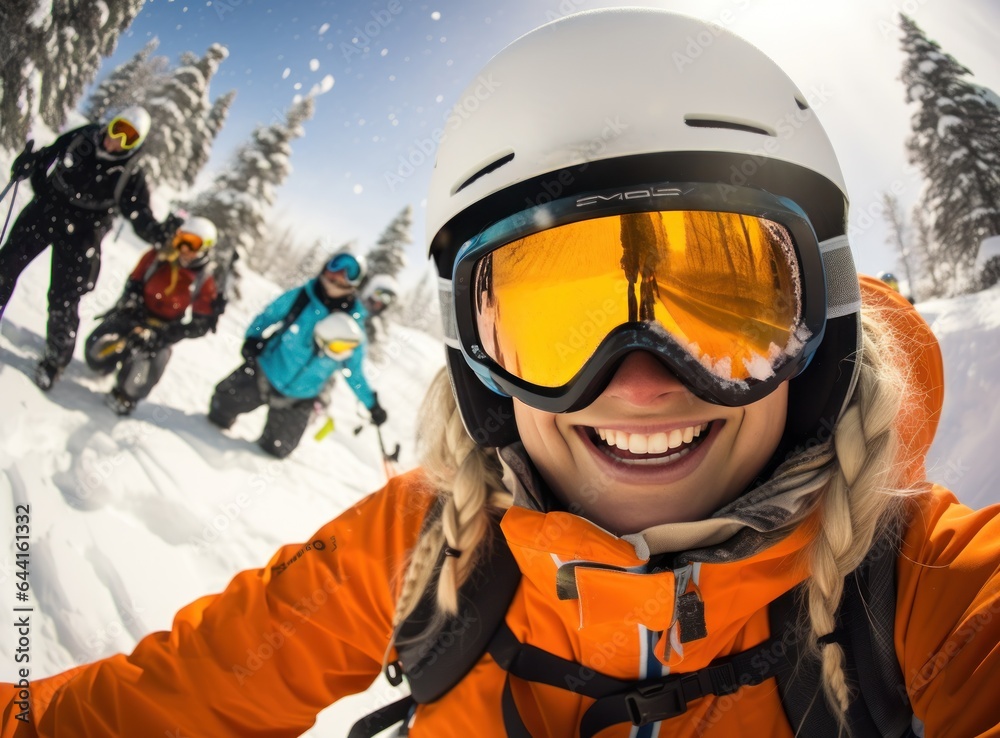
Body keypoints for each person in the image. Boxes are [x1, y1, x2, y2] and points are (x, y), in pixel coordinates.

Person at [3, 10, 998, 737]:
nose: (640, 382)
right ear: (480, 367)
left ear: (816, 328)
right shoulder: (426, 547)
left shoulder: (923, 597)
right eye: (553, 315)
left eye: (721, 305)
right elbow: (161, 702)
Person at [0, 106, 182, 390]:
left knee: (64, 300)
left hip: (83, 233)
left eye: (128, 138)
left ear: (136, 144)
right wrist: (30, 163)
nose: (118, 140)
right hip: (48, 208)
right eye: (117, 129)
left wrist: (161, 233)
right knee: (4, 267)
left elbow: (140, 216)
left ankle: (54, 362)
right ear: (110, 124)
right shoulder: (83, 137)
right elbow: (49, 155)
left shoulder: (130, 174)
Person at [207, 252, 388, 458]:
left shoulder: (353, 327)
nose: (338, 275)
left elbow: (353, 371)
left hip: (301, 397)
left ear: (356, 283)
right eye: (335, 266)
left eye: (349, 272)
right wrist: (252, 338)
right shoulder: (303, 296)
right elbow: (269, 315)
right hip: (264, 372)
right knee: (218, 411)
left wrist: (371, 404)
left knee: (275, 452)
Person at [83, 217, 220, 416]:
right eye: (181, 239)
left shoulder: (204, 279)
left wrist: (164, 336)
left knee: (145, 369)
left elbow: (199, 324)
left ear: (205, 248)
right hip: (134, 314)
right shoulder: (157, 257)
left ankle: (125, 395)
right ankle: (110, 360)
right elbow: (133, 284)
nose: (183, 248)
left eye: (192, 243)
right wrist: (134, 315)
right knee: (95, 353)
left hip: (163, 329)